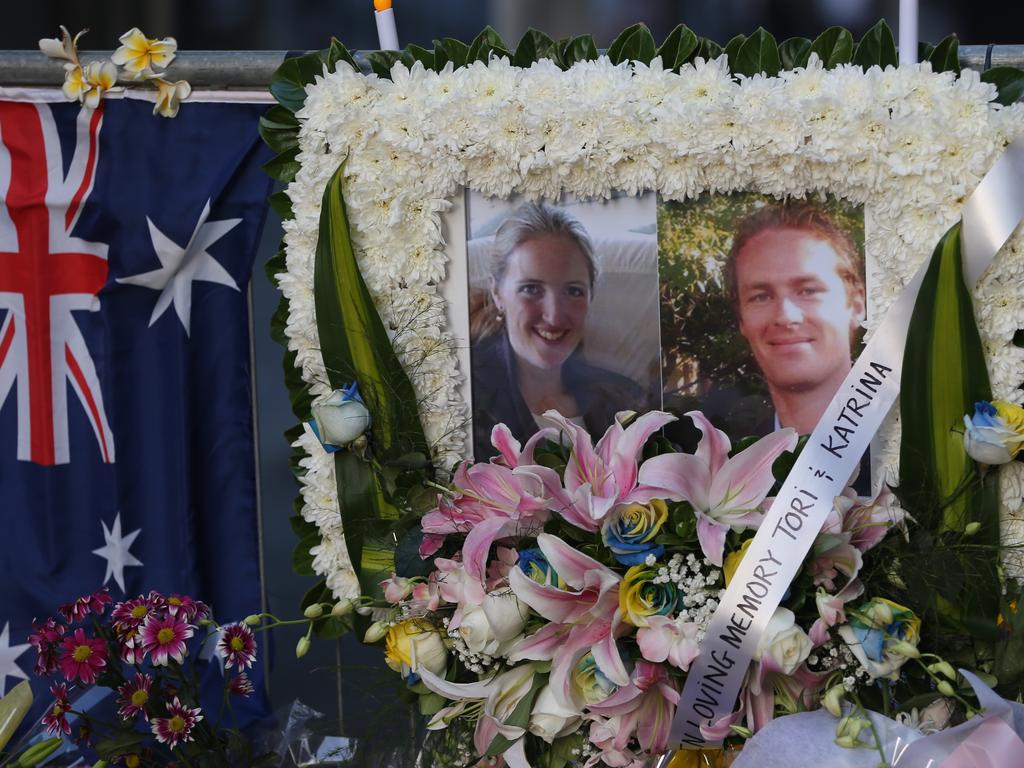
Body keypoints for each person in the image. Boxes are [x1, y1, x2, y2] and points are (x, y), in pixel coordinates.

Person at [470, 202, 647, 461]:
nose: (553, 316)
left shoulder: (626, 400)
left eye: (573, 291)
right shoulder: (464, 397)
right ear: (497, 293)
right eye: (531, 289)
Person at [725, 202, 866, 437]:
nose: (786, 316)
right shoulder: (733, 465)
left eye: (808, 291)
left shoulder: (909, 444)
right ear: (742, 321)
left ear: (856, 305)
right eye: (761, 296)